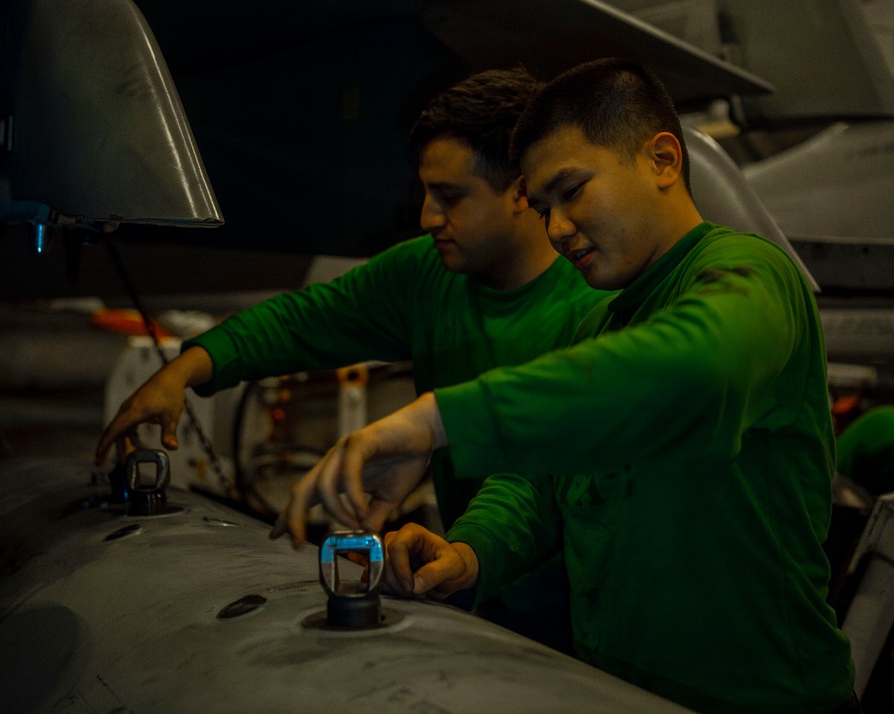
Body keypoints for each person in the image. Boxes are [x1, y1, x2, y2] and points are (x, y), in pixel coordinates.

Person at [271, 58, 858, 714]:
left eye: (571, 190)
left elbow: (687, 368)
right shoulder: (606, 318)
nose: (554, 227)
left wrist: (440, 419)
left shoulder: (753, 278)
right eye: (543, 205)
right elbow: (545, 482)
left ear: (663, 160)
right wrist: (468, 553)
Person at [95, 68, 608, 648]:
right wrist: (184, 370)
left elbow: (543, 477)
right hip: (479, 587)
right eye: (425, 193)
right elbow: (306, 320)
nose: (427, 217)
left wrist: (439, 455)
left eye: (450, 197)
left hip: (583, 616)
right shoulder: (427, 274)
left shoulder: (594, 303)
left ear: (521, 190)